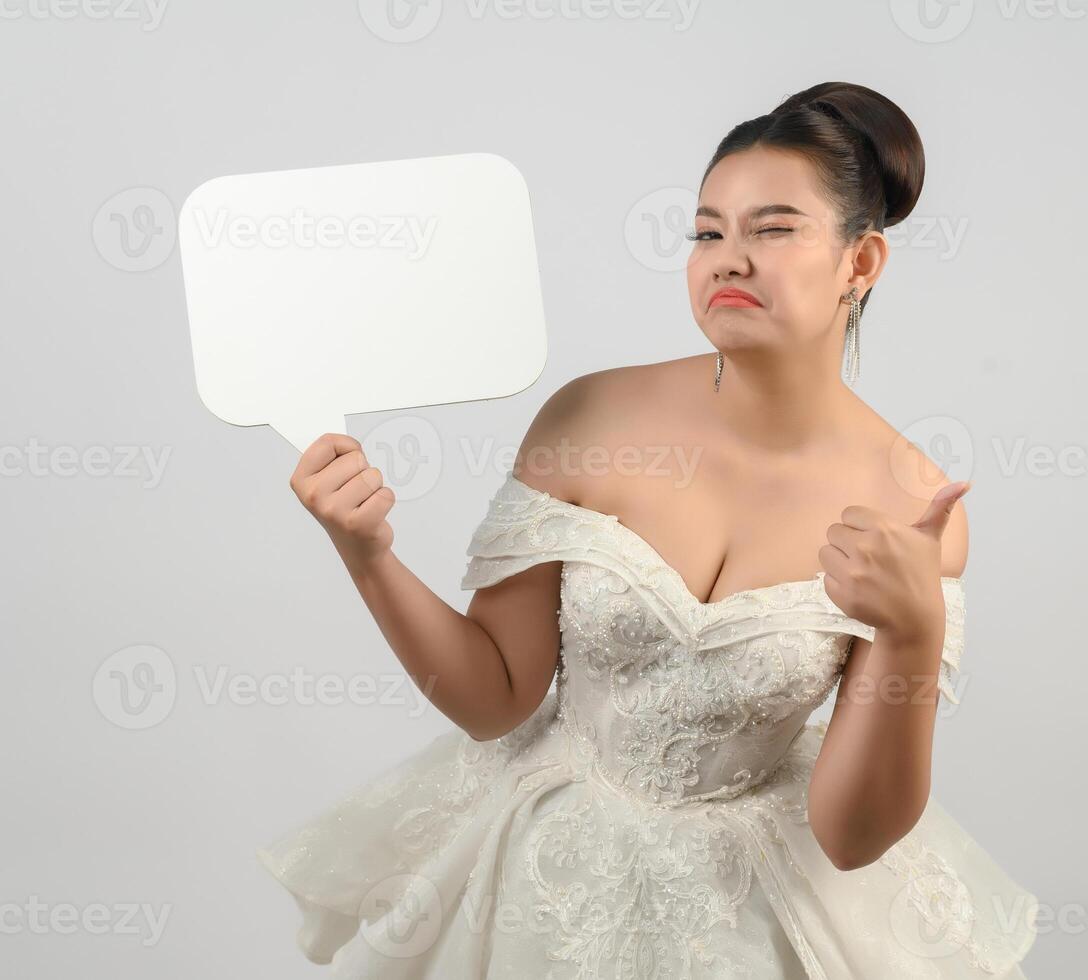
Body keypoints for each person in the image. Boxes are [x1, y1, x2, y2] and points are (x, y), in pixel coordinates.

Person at [258, 81, 1038, 978]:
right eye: (709, 232)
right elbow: (495, 695)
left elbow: (851, 835)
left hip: (747, 920)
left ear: (860, 263)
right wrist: (366, 556)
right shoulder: (590, 417)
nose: (728, 260)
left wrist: (912, 631)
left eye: (772, 230)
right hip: (541, 881)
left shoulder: (915, 508)